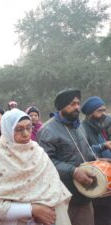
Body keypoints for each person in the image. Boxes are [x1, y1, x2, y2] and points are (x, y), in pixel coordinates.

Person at [0, 109, 72, 225]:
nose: (26, 134)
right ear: (8, 130)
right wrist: (32, 210)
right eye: (18, 129)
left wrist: (45, 210)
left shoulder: (37, 151)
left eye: (29, 127)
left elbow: (54, 188)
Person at [37, 88, 96, 225]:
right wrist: (73, 171)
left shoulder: (79, 125)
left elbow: (85, 150)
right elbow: (46, 162)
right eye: (72, 104)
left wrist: (98, 161)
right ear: (61, 107)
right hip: (62, 197)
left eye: (78, 103)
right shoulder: (47, 130)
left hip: (84, 193)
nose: (77, 107)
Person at [81, 96, 111, 225]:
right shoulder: (82, 130)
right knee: (101, 216)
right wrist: (103, 146)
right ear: (89, 113)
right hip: (96, 179)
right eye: (99, 111)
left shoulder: (100, 128)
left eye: (104, 110)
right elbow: (84, 152)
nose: (103, 114)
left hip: (107, 177)